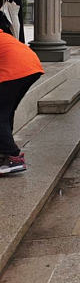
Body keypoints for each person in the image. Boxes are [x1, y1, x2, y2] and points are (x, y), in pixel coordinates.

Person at [0, 28, 43, 174]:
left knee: (1, 113)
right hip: (31, 66)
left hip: (16, 69)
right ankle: (5, 151)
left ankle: (12, 156)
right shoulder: (3, 35)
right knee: (6, 111)